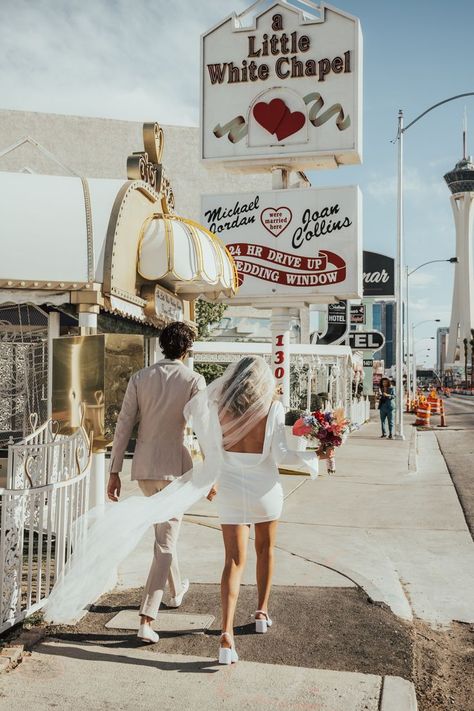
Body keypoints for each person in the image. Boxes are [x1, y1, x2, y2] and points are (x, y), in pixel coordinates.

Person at [43, 356, 317, 666]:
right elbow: (282, 455)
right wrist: (318, 454)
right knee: (265, 551)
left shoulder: (218, 410)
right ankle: (261, 613)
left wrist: (209, 480)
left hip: (230, 492)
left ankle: (226, 635)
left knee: (233, 561)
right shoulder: (273, 409)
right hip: (266, 492)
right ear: (262, 382)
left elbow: (210, 449)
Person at [107, 321, 205, 644]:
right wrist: (211, 471)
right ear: (187, 350)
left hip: (145, 469)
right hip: (175, 471)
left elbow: (123, 426)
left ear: (163, 346)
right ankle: (147, 618)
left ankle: (175, 592)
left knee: (164, 535)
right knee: (164, 543)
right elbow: (203, 427)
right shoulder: (193, 380)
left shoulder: (140, 378)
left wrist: (114, 471)